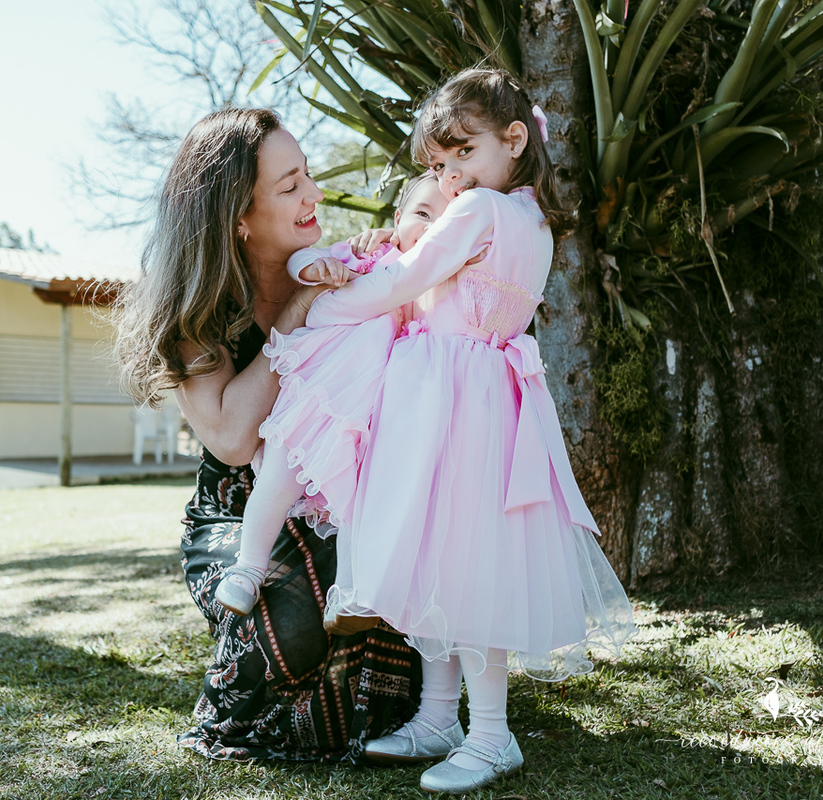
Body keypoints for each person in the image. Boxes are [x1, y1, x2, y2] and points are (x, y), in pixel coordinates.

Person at [231, 69, 639, 793]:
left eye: (464, 155)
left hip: (448, 396)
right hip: (482, 393)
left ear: (515, 139)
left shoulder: (479, 209)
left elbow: (403, 281)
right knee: (444, 560)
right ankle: (439, 717)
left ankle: (490, 737)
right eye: (441, 164)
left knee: (464, 567)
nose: (451, 177)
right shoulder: (533, 219)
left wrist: (323, 311)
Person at [114, 107, 419, 762]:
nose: (315, 194)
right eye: (290, 185)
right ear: (239, 219)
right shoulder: (196, 314)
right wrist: (299, 313)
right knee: (292, 613)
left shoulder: (341, 269)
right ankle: (255, 708)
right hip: (237, 516)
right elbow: (230, 438)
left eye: (307, 174)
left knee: (378, 595)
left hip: (340, 502)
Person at [212, 172, 450, 617]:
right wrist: (316, 268)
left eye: (446, 223)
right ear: (398, 218)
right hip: (318, 394)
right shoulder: (370, 254)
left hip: (372, 415)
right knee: (279, 477)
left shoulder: (437, 289)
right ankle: (247, 569)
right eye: (422, 214)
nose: (430, 229)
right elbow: (303, 259)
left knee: (361, 503)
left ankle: (351, 592)